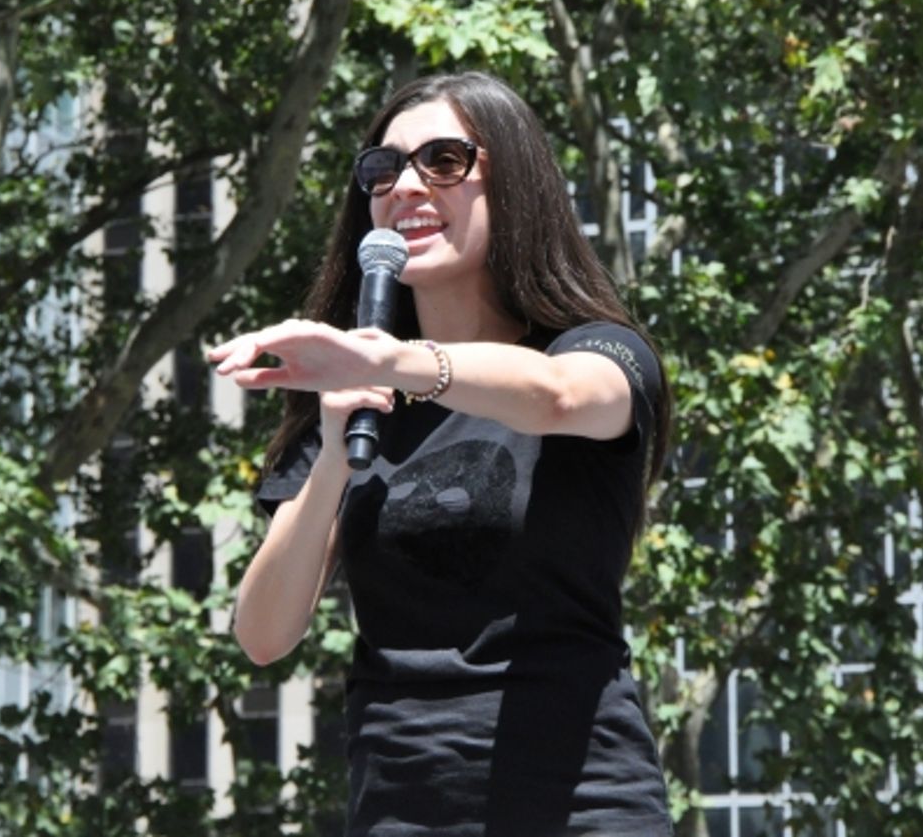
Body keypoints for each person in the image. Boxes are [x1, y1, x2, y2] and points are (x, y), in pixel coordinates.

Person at [207, 71, 673, 836]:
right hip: (399, 811)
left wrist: (394, 361)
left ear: (513, 182)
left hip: (581, 807)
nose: (406, 187)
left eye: (445, 161)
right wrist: (333, 454)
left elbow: (557, 397)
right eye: (383, 169)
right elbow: (263, 633)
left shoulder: (595, 351)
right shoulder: (350, 399)